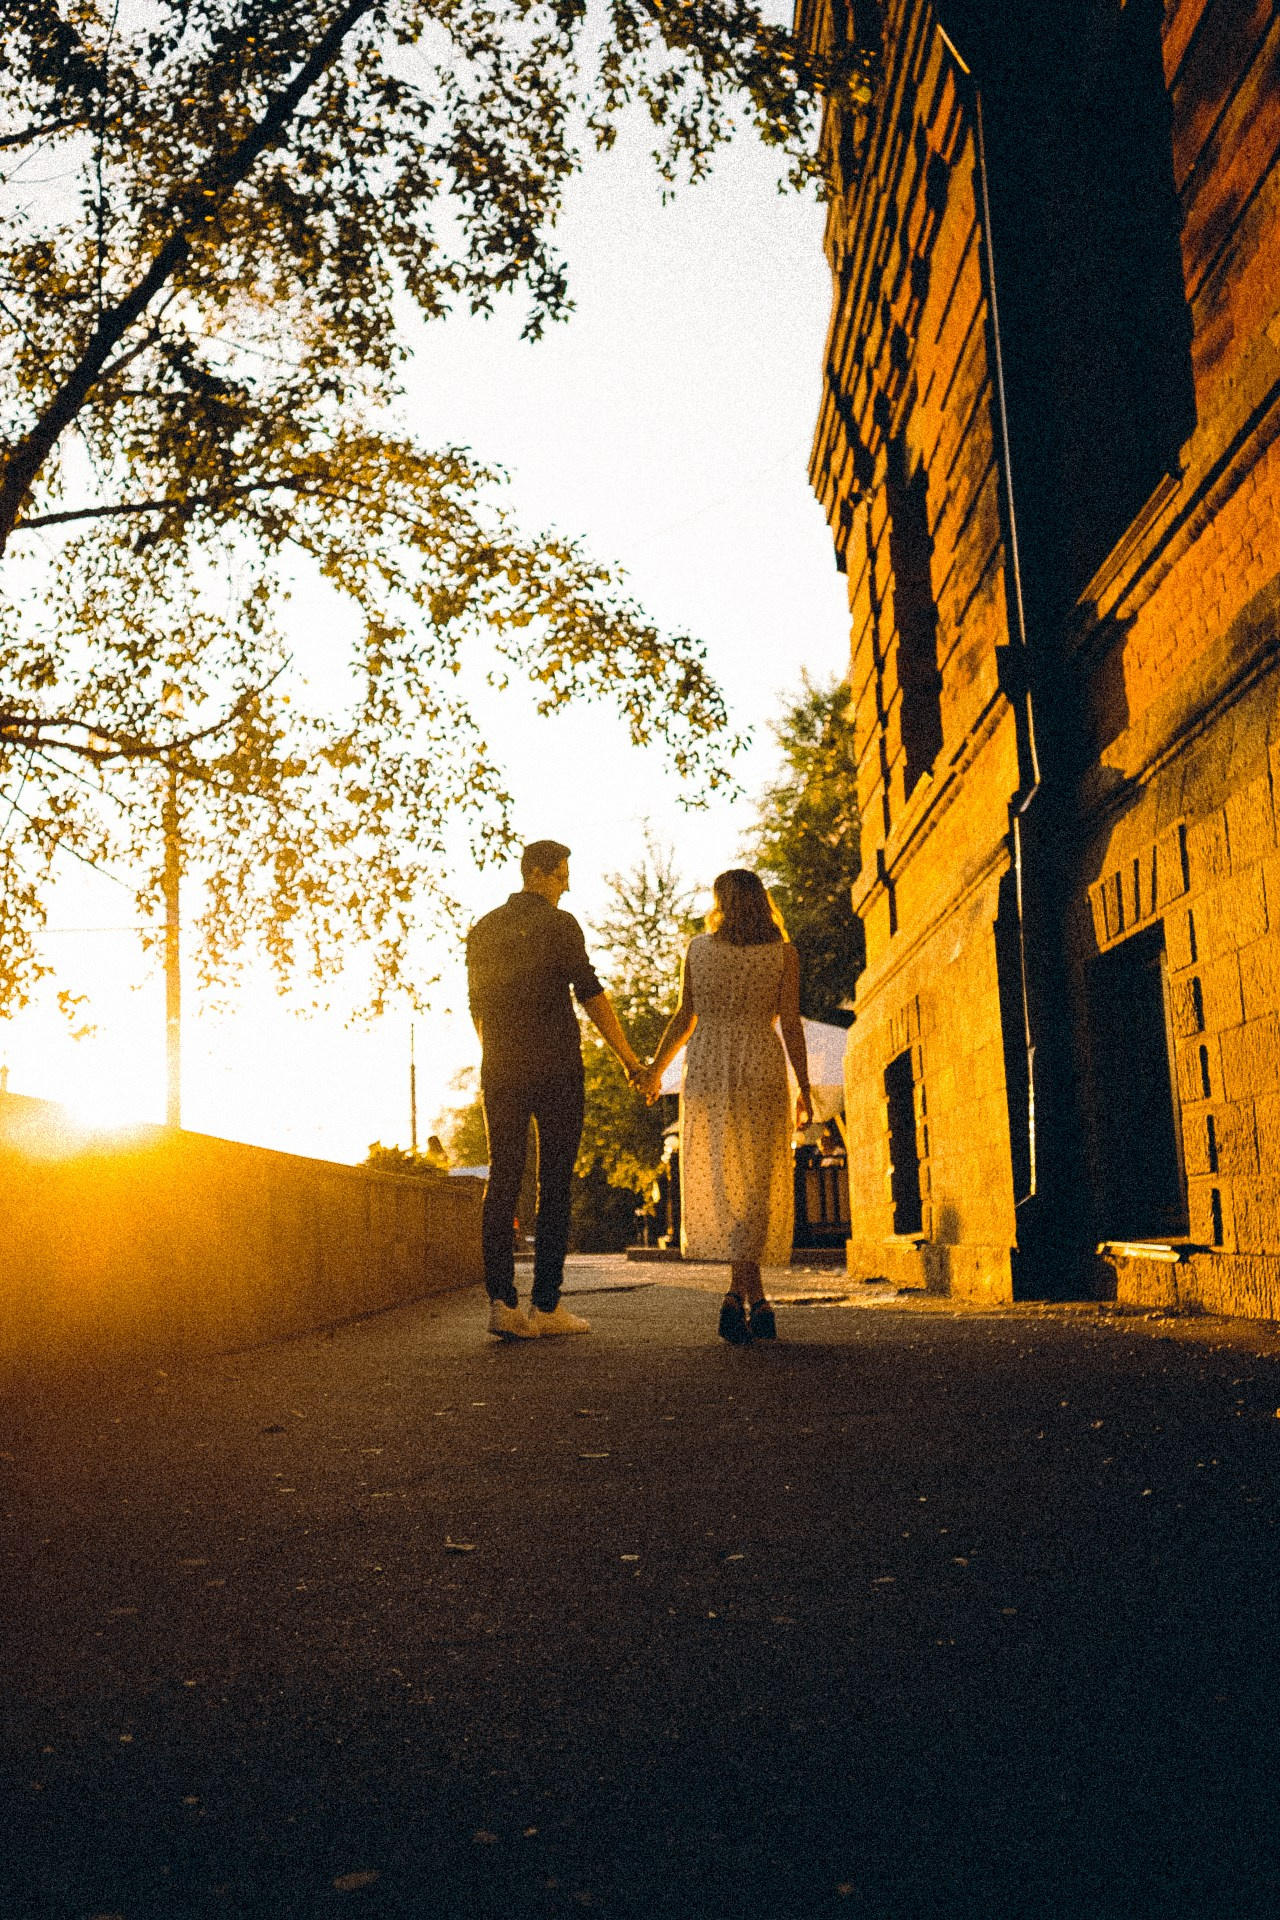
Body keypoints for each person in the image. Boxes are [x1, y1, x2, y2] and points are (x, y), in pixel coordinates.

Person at [467, 839, 642, 1339]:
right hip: (557, 1067)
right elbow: (590, 993)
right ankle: (546, 1306)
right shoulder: (559, 925)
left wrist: (496, 1055)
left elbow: (477, 1008)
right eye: (563, 872)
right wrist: (630, 1060)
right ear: (543, 873)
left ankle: (502, 1303)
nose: (568, 882)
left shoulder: (482, 929)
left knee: (503, 1176)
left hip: (500, 1066)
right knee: (555, 1183)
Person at [638, 869, 812, 1345]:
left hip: (710, 1066)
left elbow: (684, 1017)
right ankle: (754, 1299)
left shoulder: (697, 949)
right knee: (756, 1179)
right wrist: (806, 1089)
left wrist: (656, 1069)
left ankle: (742, 1296)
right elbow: (791, 1024)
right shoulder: (783, 954)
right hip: (760, 1060)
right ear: (762, 902)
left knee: (725, 1176)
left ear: (720, 902)